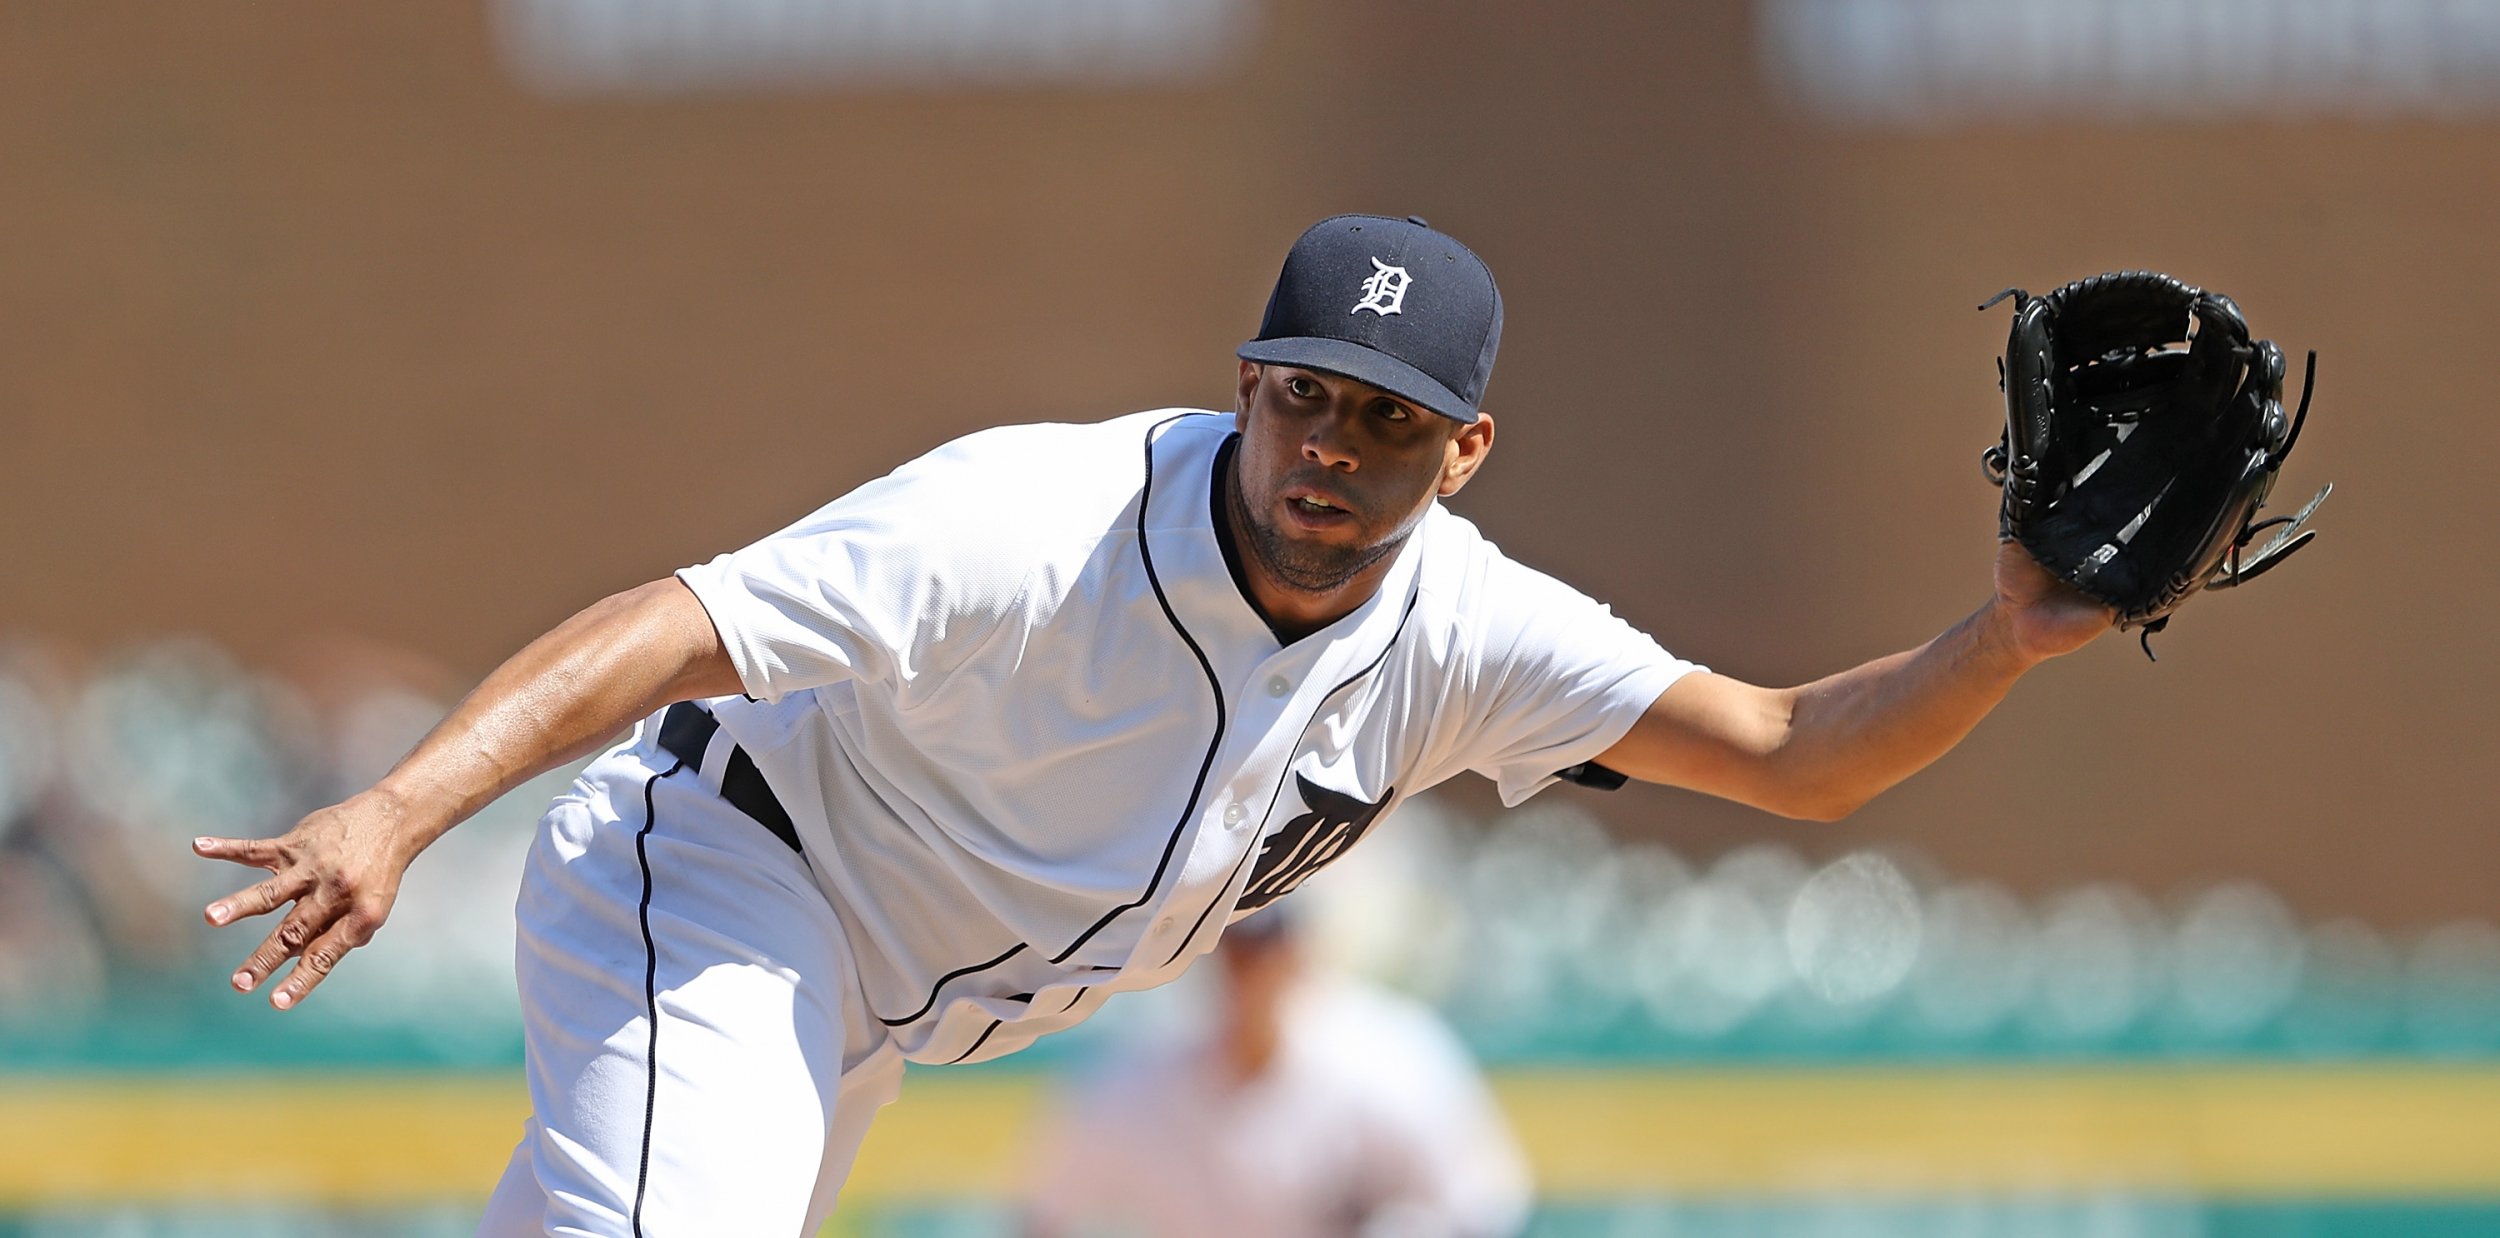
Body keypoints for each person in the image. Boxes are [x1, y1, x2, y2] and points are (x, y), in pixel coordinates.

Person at [193, 214, 2110, 1235]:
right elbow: (672, 621)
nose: (1327, 452)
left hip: (870, 1009)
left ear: (1468, 447)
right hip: (718, 886)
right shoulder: (1024, 522)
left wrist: (2006, 639)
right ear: (1248, 384)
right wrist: (402, 803)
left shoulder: (1469, 629)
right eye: (1303, 397)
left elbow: (1795, 749)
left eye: (1383, 420)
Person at [1021, 908, 1532, 1238]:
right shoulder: (1140, 1079)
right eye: (1233, 945)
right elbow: (1043, 1215)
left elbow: (1482, 1208)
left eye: (1264, 945)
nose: (1249, 968)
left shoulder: (1392, 1059)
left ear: (1299, 952)